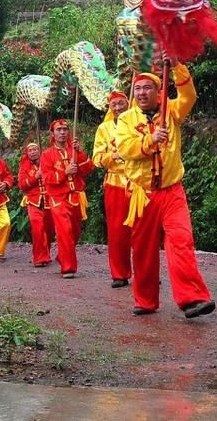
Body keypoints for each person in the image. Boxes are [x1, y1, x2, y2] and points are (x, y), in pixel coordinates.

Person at [116, 67, 215, 318]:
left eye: (147, 88)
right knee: (143, 249)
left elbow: (188, 96)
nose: (141, 92)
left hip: (173, 191)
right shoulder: (126, 118)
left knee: (181, 240)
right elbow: (126, 148)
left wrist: (177, 66)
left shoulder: (170, 109)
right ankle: (145, 300)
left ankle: (192, 298)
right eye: (137, 88)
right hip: (143, 194)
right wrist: (150, 140)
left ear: (159, 93)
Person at [40, 120, 93, 278]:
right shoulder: (47, 154)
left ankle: (63, 256)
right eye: (59, 130)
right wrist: (65, 172)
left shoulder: (75, 151)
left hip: (75, 196)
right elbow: (47, 177)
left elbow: (88, 168)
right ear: (53, 134)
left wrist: (80, 152)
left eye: (65, 129)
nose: (62, 132)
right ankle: (68, 268)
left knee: (75, 232)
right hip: (58, 198)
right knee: (65, 231)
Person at [93, 90, 133, 288]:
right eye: (114, 105)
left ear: (128, 103)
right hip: (115, 183)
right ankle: (119, 273)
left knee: (144, 230)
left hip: (139, 182)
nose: (118, 108)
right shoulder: (104, 129)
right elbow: (97, 158)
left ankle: (146, 272)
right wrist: (113, 156)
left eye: (121, 103)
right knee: (117, 231)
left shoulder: (139, 122)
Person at [17, 141, 54, 267]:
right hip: (33, 201)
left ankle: (46, 254)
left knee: (48, 230)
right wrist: (36, 177)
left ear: (39, 151)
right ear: (27, 153)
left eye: (35, 150)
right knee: (37, 229)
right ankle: (39, 258)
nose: (33, 152)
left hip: (49, 200)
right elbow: (22, 185)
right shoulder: (24, 166)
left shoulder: (46, 162)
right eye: (30, 150)